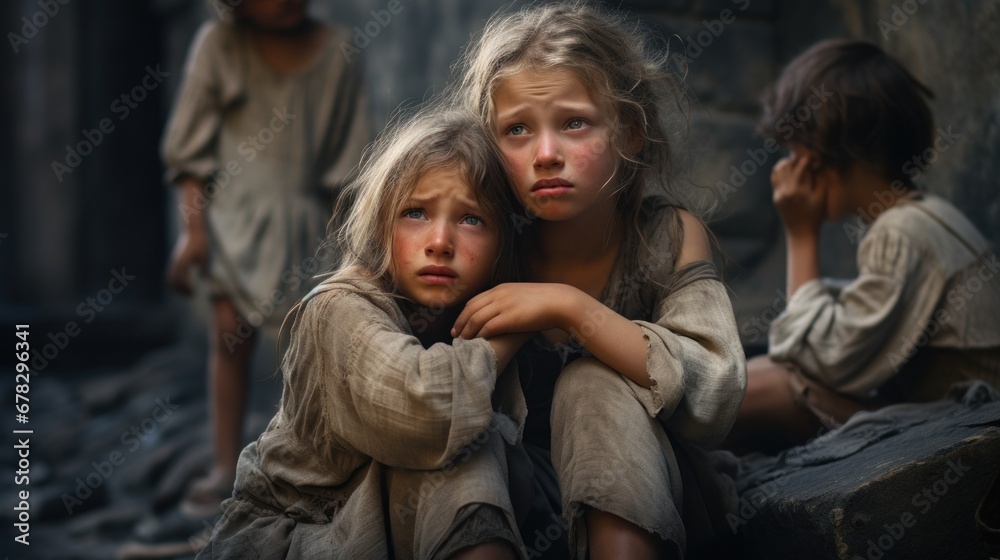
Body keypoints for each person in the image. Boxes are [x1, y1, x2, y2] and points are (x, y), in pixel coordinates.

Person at [453, 3, 748, 558]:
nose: (545, 155)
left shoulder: (666, 236)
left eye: (573, 123)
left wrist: (570, 309)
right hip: (524, 496)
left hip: (653, 485)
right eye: (516, 130)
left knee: (592, 384)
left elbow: (714, 389)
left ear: (630, 132)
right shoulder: (480, 247)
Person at [196, 106, 535, 560]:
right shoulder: (340, 309)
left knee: (478, 445)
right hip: (297, 534)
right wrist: (512, 329)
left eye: (471, 219)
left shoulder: (468, 303)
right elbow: (426, 412)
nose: (440, 242)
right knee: (466, 448)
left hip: (384, 525)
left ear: (504, 245)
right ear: (380, 224)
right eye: (415, 213)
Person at [723, 39, 1000, 454]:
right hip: (950, 417)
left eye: (796, 153)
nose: (787, 171)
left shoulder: (902, 231)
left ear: (823, 156)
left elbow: (823, 362)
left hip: (966, 434)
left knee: (765, 387)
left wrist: (801, 233)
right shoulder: (924, 215)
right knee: (747, 376)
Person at [160, 0, 369, 516]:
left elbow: (352, 164)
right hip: (232, 216)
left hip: (307, 226)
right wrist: (192, 233)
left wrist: (351, 241)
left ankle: (305, 467)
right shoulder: (219, 46)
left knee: (309, 349)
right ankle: (224, 465)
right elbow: (190, 152)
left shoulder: (337, 51)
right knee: (229, 338)